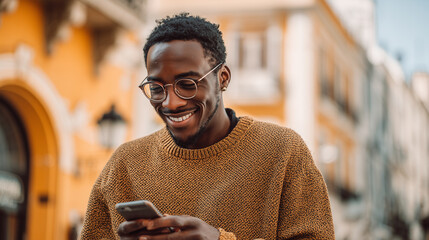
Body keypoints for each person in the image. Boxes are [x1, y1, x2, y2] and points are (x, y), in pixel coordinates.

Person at [80, 13, 335, 240]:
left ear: (222, 78)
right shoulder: (125, 164)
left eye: (188, 84)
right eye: (157, 89)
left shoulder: (283, 150)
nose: (171, 103)